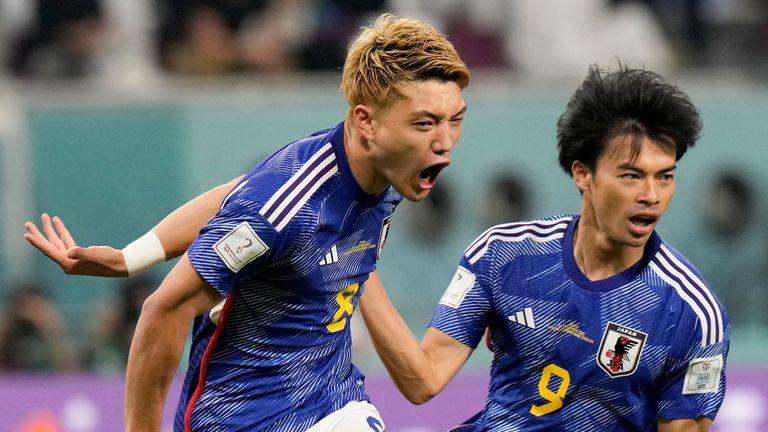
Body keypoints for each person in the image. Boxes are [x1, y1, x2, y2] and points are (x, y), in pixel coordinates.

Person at [24, 13, 470, 432]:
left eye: (455, 121)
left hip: (332, 403)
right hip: (240, 416)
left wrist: (131, 257)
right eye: (424, 123)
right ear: (365, 122)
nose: (444, 143)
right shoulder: (284, 208)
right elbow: (163, 311)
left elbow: (237, 189)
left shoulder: (389, 174)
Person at [357, 64, 730, 431]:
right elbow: (422, 381)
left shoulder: (694, 315)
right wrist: (357, 267)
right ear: (583, 174)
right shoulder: (503, 254)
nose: (651, 196)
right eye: (631, 176)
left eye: (664, 177)